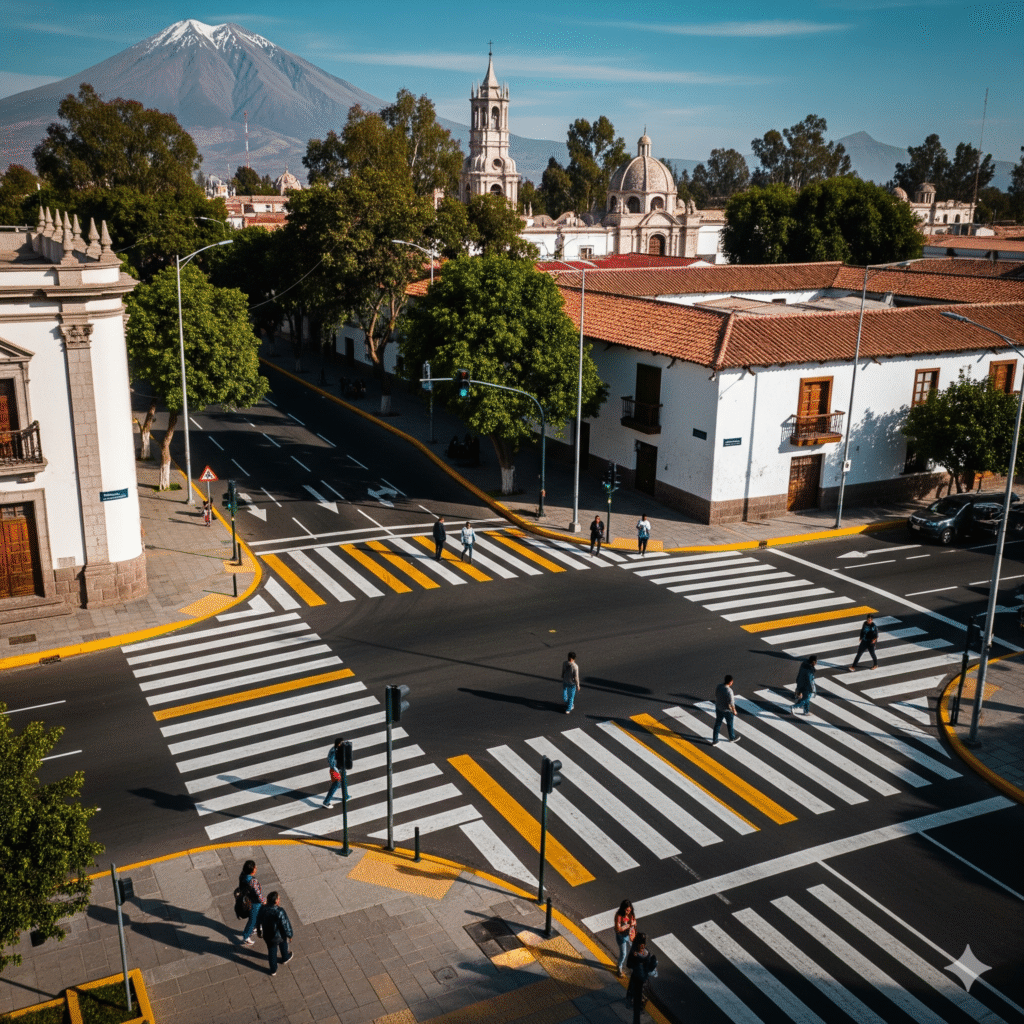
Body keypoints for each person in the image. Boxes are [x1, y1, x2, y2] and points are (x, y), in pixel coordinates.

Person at [257, 891, 294, 976]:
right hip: (279, 934)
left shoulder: (263, 909)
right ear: (276, 901)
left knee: (272, 951)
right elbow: (285, 924)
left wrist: (259, 931)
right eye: (278, 898)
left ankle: (273, 970)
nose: (279, 899)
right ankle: (285, 958)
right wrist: (290, 934)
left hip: (268, 935)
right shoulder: (280, 911)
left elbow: (258, 921)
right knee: (283, 944)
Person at [626, 932, 658, 1024]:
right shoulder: (645, 953)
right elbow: (647, 967)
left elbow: (629, 964)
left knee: (633, 992)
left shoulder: (635, 952)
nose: (642, 946)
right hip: (640, 980)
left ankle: (629, 999)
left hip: (637, 977)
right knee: (638, 999)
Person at [238, 860, 265, 945]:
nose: (256, 868)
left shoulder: (242, 875)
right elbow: (258, 893)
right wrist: (264, 901)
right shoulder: (252, 882)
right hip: (254, 903)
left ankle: (257, 926)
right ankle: (246, 936)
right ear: (252, 871)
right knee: (252, 920)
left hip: (247, 898)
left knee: (256, 917)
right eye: (255, 868)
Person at [711, 675, 739, 745]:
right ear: (730, 682)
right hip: (727, 711)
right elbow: (731, 703)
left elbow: (716, 694)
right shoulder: (729, 691)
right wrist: (734, 711)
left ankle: (715, 740)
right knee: (730, 724)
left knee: (718, 723)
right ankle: (732, 737)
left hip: (719, 708)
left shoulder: (719, 686)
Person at [323, 737, 348, 808]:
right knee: (336, 784)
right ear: (339, 744)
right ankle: (326, 802)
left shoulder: (339, 749)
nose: (343, 744)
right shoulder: (333, 751)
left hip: (340, 769)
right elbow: (331, 762)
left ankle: (345, 795)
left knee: (344, 781)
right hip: (335, 770)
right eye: (342, 743)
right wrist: (337, 770)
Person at [614, 900, 637, 977]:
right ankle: (619, 966)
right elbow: (618, 929)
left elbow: (634, 923)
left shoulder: (631, 914)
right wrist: (630, 924)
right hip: (621, 937)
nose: (628, 912)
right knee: (623, 954)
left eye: (630, 910)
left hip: (630, 935)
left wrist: (634, 929)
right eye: (627, 910)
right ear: (623, 909)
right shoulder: (619, 916)